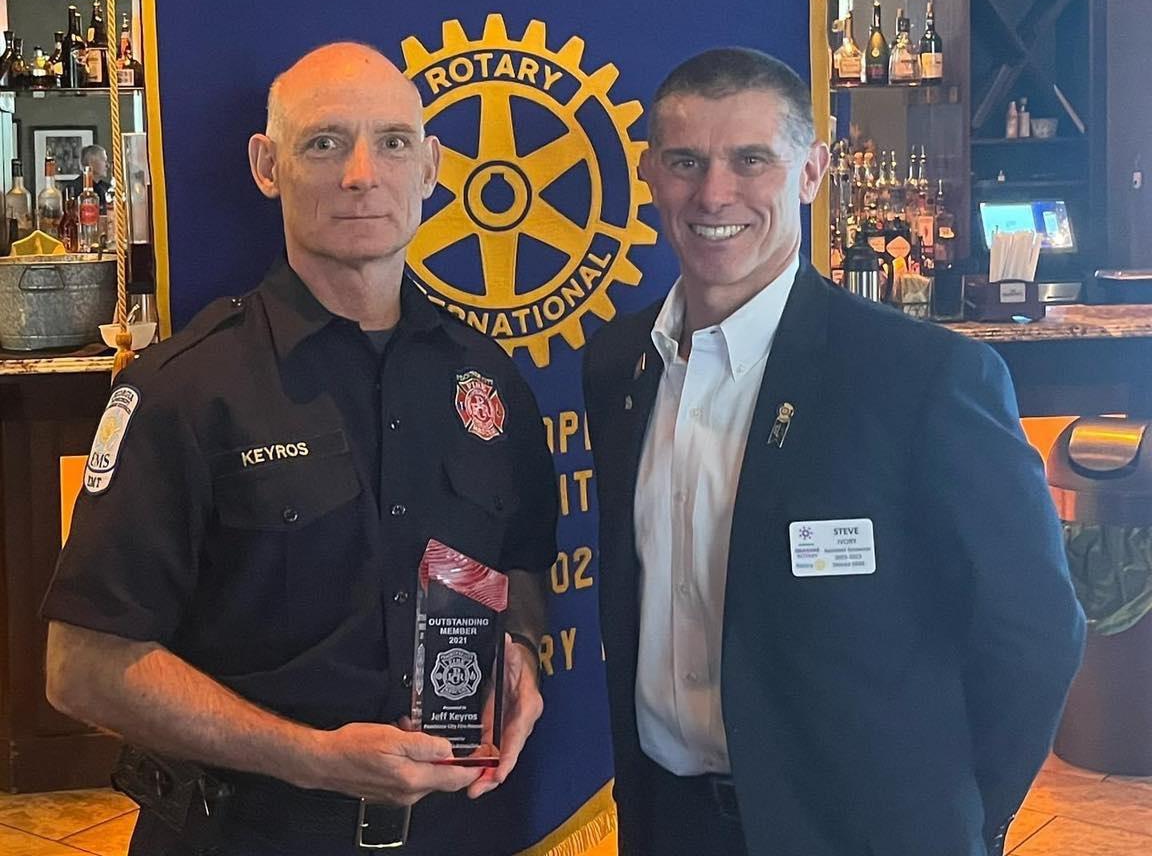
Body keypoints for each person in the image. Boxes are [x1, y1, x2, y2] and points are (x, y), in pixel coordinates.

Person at [42, 42, 557, 856]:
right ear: (266, 166)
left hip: (458, 832)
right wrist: (313, 758)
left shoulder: (489, 381)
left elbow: (520, 558)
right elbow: (82, 666)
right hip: (244, 835)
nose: (362, 175)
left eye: (393, 142)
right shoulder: (184, 389)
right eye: (324, 143)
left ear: (431, 167)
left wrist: (520, 647)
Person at [582, 47, 1085, 856]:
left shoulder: (924, 377)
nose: (714, 194)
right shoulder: (618, 365)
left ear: (812, 172)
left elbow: (1035, 630)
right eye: (685, 162)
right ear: (650, 175)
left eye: (752, 160)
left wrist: (961, 819)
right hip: (666, 823)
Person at [80, 142, 110, 210]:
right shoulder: (73, 190)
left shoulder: (107, 188)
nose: (107, 165)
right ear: (91, 162)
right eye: (104, 160)